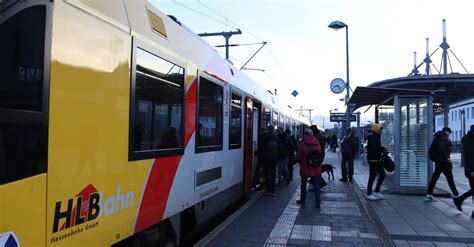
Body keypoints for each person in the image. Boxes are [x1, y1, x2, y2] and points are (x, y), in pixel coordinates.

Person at [426, 127, 459, 201]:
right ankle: (456, 194)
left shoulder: (437, 138)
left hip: (438, 161)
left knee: (435, 178)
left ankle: (429, 194)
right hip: (444, 162)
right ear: (447, 132)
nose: (449, 135)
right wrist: (447, 158)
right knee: (450, 178)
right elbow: (441, 148)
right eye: (449, 133)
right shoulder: (444, 138)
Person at [296, 129, 323, 207]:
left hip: (305, 167)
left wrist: (301, 163)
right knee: (316, 184)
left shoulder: (302, 144)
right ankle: (318, 202)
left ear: (305, 135)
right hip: (316, 167)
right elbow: (320, 152)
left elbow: (298, 157)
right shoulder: (316, 143)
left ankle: (302, 200)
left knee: (303, 184)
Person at [453, 125, 474, 218]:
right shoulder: (470, 141)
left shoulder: (469, 140)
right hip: (472, 170)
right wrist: (472, 170)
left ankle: (460, 200)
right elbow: (470, 157)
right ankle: (459, 199)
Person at [366, 124, 386, 200]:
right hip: (372, 159)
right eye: (380, 129)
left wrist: (381, 149)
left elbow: (377, 147)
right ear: (376, 129)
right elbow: (375, 148)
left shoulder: (377, 136)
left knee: (382, 174)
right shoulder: (372, 137)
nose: (381, 131)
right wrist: (382, 149)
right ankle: (369, 193)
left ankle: (376, 191)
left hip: (377, 159)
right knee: (372, 176)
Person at [261, 125, 279, 196]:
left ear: (268, 129)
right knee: (273, 174)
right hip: (274, 158)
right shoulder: (276, 137)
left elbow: (262, 147)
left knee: (267, 173)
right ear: (273, 130)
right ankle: (272, 191)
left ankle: (267, 189)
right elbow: (279, 147)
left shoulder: (265, 136)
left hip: (266, 158)